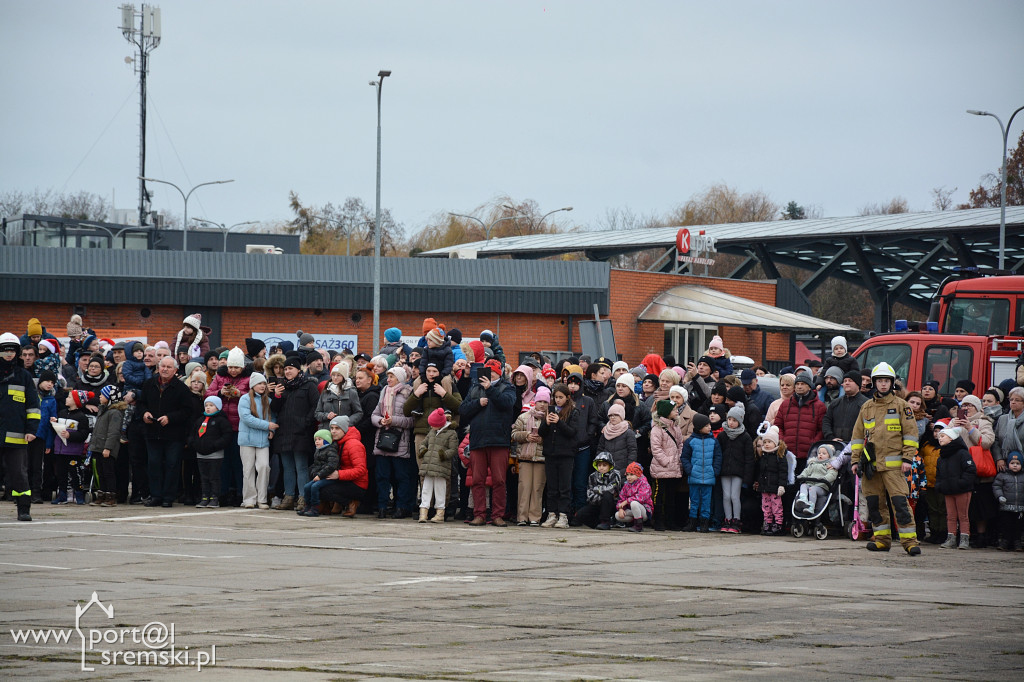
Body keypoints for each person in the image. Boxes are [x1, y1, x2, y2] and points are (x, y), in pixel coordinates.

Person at [850, 362, 922, 555]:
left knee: (900, 504)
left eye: (886, 381)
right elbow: (857, 437)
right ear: (874, 382)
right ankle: (882, 540)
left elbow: (911, 435)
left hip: (895, 468)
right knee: (875, 505)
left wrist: (908, 459)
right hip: (871, 468)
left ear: (892, 383)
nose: (883, 384)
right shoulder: (866, 407)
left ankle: (910, 542)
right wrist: (855, 461)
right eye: (880, 381)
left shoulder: (902, 406)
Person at [459, 359, 517, 527]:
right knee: (478, 480)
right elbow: (463, 410)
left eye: (492, 373)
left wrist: (490, 390)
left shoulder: (508, 388)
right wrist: (478, 403)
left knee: (499, 480)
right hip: (478, 440)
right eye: (487, 373)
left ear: (499, 374)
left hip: (499, 440)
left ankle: (497, 515)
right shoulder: (475, 388)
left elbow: (507, 404)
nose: (489, 376)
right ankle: (479, 514)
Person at [138, 357, 193, 507]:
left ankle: (168, 497)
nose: (165, 369)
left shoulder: (181, 388)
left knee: (172, 465)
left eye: (169, 367)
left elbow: (188, 411)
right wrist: (144, 413)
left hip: (173, 434)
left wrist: (170, 418)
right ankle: (156, 496)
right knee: (154, 464)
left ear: (175, 370)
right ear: (158, 367)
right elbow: (141, 404)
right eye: (163, 366)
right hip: (152, 432)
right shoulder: (149, 384)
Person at [269, 356, 320, 511]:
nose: (287, 371)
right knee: (287, 467)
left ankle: (303, 498)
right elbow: (275, 409)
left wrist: (306, 422)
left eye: (290, 368)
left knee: (301, 466)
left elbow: (315, 405)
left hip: (301, 433)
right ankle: (289, 496)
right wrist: (276, 396)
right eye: (285, 369)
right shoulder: (282, 386)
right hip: (284, 432)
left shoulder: (308, 385)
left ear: (298, 370)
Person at [2, 332, 40, 520]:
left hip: (16, 434)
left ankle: (23, 509)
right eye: (4, 350)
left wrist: (32, 430)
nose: (8, 354)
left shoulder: (23, 376)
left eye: (12, 350)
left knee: (19, 474)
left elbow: (33, 406)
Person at [371, 366, 416, 519]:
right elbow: (375, 414)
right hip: (383, 438)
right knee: (382, 476)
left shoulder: (408, 393)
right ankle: (382, 506)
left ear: (400, 378)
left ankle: (401, 507)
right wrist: (380, 421)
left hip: (400, 441)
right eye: (388, 376)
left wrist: (394, 421)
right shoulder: (384, 392)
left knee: (401, 476)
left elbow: (412, 420)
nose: (388, 379)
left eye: (392, 377)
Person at [538, 382, 579, 529]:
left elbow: (572, 432)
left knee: (564, 487)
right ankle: (551, 514)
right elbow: (541, 433)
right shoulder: (550, 411)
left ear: (567, 397)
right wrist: (547, 423)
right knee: (552, 487)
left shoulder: (573, 412)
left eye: (561, 397)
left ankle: (563, 515)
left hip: (566, 454)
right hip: (551, 453)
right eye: (555, 397)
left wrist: (559, 422)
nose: (558, 400)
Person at [317, 415, 369, 517]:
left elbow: (361, 470)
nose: (333, 431)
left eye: (337, 428)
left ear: (344, 430)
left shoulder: (354, 444)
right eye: (331, 428)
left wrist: (339, 474)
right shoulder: (336, 443)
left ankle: (351, 503)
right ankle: (326, 506)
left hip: (357, 484)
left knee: (325, 490)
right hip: (344, 480)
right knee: (317, 483)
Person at [238, 372, 276, 509]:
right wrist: (267, 426)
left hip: (262, 441)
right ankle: (249, 499)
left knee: (264, 467)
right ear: (253, 385)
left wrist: (272, 430)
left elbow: (273, 417)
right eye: (259, 383)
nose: (262, 386)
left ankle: (262, 499)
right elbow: (246, 418)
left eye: (264, 383)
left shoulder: (268, 400)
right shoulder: (244, 399)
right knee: (248, 470)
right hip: (247, 440)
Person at [935, 425, 977, 549]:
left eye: (943, 436)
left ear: (951, 438)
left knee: (963, 515)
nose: (940, 439)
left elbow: (970, 470)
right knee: (951, 516)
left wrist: (961, 483)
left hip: (962, 490)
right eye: (939, 437)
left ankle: (964, 539)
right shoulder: (942, 456)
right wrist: (940, 485)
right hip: (948, 490)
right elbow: (939, 474)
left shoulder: (962, 453)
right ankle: (951, 538)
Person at [511, 386, 548, 526]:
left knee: (537, 488)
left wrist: (542, 439)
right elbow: (514, 434)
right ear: (535, 401)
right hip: (525, 458)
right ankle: (522, 517)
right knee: (524, 487)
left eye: (545, 402)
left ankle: (534, 517)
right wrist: (526, 436)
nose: (542, 404)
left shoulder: (549, 419)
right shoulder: (524, 417)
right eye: (540, 401)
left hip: (541, 458)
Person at [188, 396, 233, 508]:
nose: (208, 408)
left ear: (218, 407)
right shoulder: (200, 420)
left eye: (211, 406)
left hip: (215, 455)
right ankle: (204, 497)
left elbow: (227, 436)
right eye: (206, 405)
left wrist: (215, 445)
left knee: (214, 477)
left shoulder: (221, 421)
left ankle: (214, 498)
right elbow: (193, 434)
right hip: (200, 454)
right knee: (204, 477)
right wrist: (194, 444)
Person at [680, 413, 722, 533]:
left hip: (709, 476)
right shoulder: (691, 441)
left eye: (709, 424)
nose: (710, 427)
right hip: (694, 476)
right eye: (706, 425)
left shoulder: (713, 441)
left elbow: (717, 457)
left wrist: (715, 471)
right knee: (694, 501)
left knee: (706, 501)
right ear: (699, 427)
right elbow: (685, 457)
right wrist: (690, 470)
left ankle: (704, 523)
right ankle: (692, 522)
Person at [51, 389, 93, 505]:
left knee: (76, 473)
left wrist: (70, 435)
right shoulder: (62, 413)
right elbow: (57, 429)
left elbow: (83, 434)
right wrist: (54, 422)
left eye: (69, 397)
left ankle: (79, 494)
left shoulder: (82, 417)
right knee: (61, 473)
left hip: (73, 451)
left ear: (76, 401)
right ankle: (62, 494)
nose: (66, 399)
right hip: (60, 450)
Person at [88, 384, 127, 507]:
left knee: (108, 472)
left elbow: (113, 432)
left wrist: (108, 448)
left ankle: (111, 496)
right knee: (100, 472)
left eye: (102, 395)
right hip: (98, 447)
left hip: (106, 448)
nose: (99, 396)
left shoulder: (115, 412)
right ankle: (102, 494)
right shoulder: (104, 410)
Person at [718, 405, 755, 533]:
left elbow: (749, 459)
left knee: (735, 496)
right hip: (725, 471)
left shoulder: (745, 437)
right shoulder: (723, 435)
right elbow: (719, 454)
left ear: (739, 421)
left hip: (738, 472)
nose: (731, 423)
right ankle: (727, 519)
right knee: (726, 496)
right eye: (729, 419)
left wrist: (747, 477)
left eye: (734, 420)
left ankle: (736, 520)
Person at [774, 372, 825, 464]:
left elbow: (822, 429)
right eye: (797, 384)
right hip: (787, 453)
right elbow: (778, 426)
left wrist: (813, 443)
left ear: (809, 386)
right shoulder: (785, 405)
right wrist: (782, 440)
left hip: (809, 455)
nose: (799, 386)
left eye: (803, 384)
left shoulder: (819, 406)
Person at [650, 399, 685, 532]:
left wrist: (678, 458)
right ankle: (658, 520)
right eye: (674, 409)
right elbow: (656, 449)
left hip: (674, 467)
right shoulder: (657, 429)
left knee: (671, 496)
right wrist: (667, 461)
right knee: (659, 495)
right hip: (661, 468)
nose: (677, 411)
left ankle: (670, 521)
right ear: (666, 412)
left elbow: (680, 444)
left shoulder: (675, 426)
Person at [417, 408, 457, 523]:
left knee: (440, 489)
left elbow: (453, 449)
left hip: (441, 466)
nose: (431, 427)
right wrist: (423, 449)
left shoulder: (451, 433)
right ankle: (423, 512)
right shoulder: (432, 432)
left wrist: (444, 455)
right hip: (429, 466)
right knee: (426, 488)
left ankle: (440, 513)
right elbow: (424, 443)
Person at [754, 425, 790, 535]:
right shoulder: (764, 456)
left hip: (775, 487)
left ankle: (778, 524)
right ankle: (768, 523)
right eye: (765, 442)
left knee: (777, 506)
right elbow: (761, 471)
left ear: (775, 443)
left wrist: (781, 485)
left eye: (769, 442)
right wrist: (759, 483)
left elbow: (783, 472)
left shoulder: (780, 456)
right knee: (766, 506)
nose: (766, 445)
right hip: (765, 487)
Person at [296, 429, 339, 517]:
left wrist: (320, 475)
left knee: (315, 487)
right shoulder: (318, 451)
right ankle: (307, 506)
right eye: (315, 439)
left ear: (326, 440)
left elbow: (331, 465)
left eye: (319, 439)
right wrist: (313, 473)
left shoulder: (331, 450)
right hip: (320, 476)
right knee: (307, 487)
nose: (317, 441)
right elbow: (315, 465)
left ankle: (315, 508)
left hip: (329, 477)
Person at [574, 451, 621, 530]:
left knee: (607, 495)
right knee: (579, 515)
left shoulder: (615, 474)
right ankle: (597, 523)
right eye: (599, 465)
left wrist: (597, 489)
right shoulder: (592, 476)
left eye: (604, 465)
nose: (601, 467)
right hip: (597, 503)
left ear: (610, 465)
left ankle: (606, 522)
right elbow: (590, 495)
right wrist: (601, 497)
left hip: (612, 504)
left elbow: (612, 490)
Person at [822, 370, 869, 442]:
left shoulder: (866, 404)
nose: (847, 383)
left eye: (850, 381)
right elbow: (826, 421)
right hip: (836, 445)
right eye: (845, 381)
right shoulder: (835, 403)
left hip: (856, 446)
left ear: (858, 384)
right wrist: (830, 437)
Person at [795, 443, 841, 516]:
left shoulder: (830, 465)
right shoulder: (812, 464)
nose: (820, 455)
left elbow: (832, 475)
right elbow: (806, 471)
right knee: (803, 485)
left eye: (824, 453)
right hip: (810, 483)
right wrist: (801, 476)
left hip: (822, 487)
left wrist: (824, 479)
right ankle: (803, 499)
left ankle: (811, 507)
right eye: (819, 453)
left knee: (812, 489)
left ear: (829, 455)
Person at [315, 362, 363, 430]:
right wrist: (327, 416)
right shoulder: (326, 391)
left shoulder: (351, 392)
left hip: (344, 430)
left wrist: (346, 422)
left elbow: (358, 413)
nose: (335, 377)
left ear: (344, 377)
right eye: (333, 375)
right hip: (326, 431)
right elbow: (317, 413)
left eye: (338, 375)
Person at [992, 451, 1023, 551]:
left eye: (1017, 464)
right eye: (1012, 463)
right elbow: (996, 486)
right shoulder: (1002, 475)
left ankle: (1017, 543)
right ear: (1008, 464)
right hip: (1006, 506)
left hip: (1020, 507)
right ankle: (1005, 541)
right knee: (1006, 525)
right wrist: (1000, 496)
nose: (1015, 466)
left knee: (1018, 526)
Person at [614, 461, 654, 532]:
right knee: (617, 515)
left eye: (632, 474)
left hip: (644, 510)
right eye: (627, 475)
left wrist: (627, 501)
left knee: (634, 503)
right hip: (632, 510)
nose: (629, 477)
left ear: (638, 475)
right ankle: (634, 521)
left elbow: (641, 497)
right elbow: (621, 498)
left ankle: (639, 525)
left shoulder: (644, 484)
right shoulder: (626, 485)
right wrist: (620, 508)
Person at [597, 403, 637, 473]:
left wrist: (630, 468)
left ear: (621, 416)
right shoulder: (605, 431)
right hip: (607, 469)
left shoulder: (628, 432)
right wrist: (600, 465)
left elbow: (632, 451)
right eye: (610, 415)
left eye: (616, 415)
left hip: (623, 469)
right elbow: (600, 449)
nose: (612, 417)